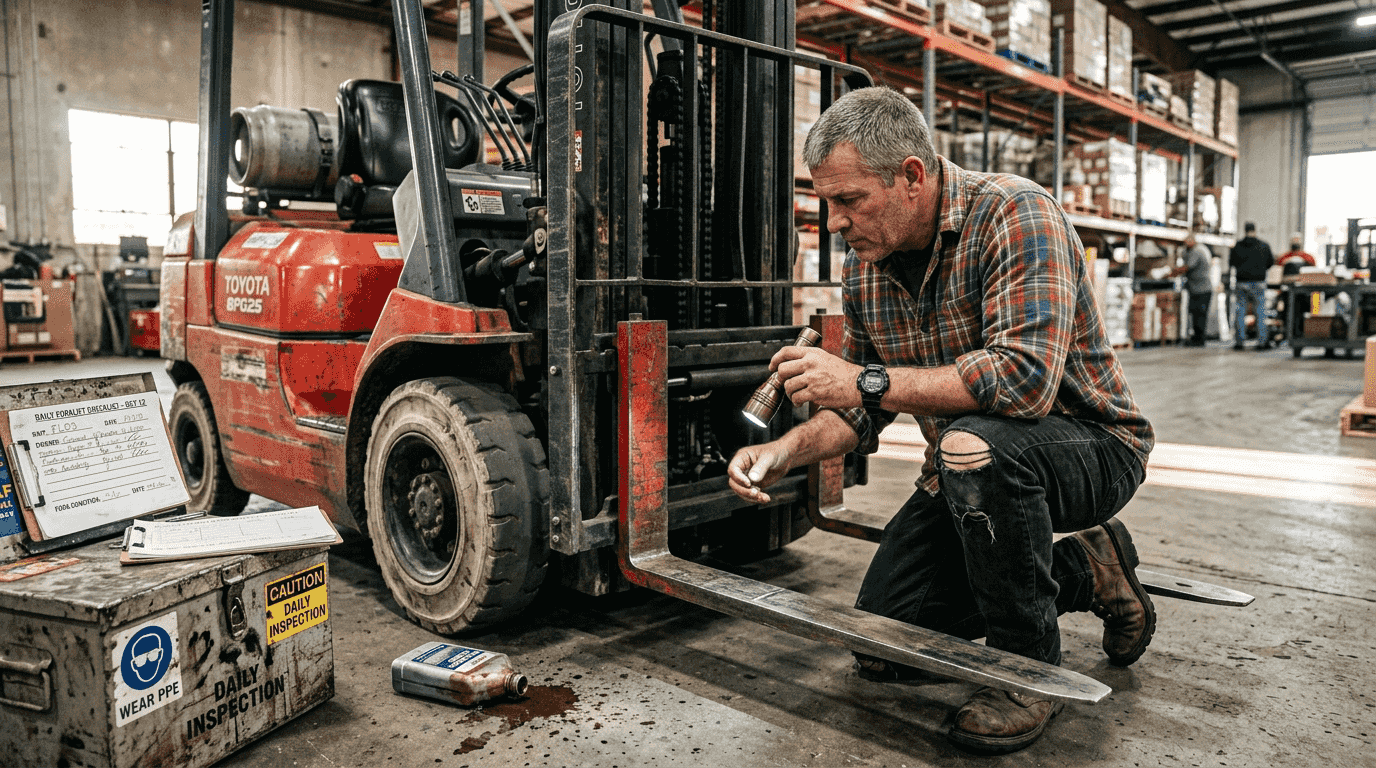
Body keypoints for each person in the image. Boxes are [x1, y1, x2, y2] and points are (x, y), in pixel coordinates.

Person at [725, 87, 1156, 754]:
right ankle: (1090, 569)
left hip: (1093, 447)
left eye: (849, 200)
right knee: (885, 643)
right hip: (968, 469)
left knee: (971, 447)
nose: (834, 221)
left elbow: (1023, 381)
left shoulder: (1014, 213)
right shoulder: (866, 270)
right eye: (827, 202)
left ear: (913, 176)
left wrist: (863, 378)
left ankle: (1027, 669)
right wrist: (787, 449)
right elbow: (860, 415)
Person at [1229, 223, 1274, 350]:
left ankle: (1239, 342)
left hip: (1241, 282)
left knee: (1240, 312)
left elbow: (1232, 263)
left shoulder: (1237, 246)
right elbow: (1270, 263)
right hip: (1258, 283)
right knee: (1260, 312)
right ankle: (1262, 342)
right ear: (1254, 230)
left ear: (1245, 230)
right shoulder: (1264, 246)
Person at [1171, 234, 1214, 346]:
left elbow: (1187, 267)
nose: (1185, 244)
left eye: (1186, 242)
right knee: (1195, 313)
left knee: (1199, 314)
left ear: (1192, 241)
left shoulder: (1196, 251)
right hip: (1196, 289)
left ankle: (1199, 339)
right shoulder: (1191, 251)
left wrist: (1171, 273)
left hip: (1202, 290)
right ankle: (1196, 337)